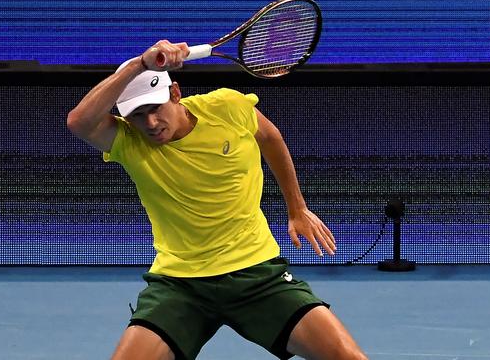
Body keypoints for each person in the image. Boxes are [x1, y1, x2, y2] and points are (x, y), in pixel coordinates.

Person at [67, 40, 367, 360]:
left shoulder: (227, 107)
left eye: (154, 109)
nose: (150, 124)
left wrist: (297, 207)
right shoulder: (127, 140)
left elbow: (269, 136)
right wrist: (137, 65)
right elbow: (78, 122)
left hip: (256, 274)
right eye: (138, 116)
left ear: (175, 93)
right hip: (179, 285)